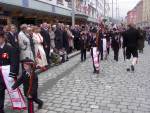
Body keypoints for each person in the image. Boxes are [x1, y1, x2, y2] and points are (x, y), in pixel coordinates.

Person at [0, 30, 17, 113]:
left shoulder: (9, 48)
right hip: (0, 74)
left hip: (8, 74)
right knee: (0, 91)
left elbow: (14, 62)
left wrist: (12, 74)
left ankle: (18, 103)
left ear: (3, 38)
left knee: (13, 91)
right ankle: (1, 108)